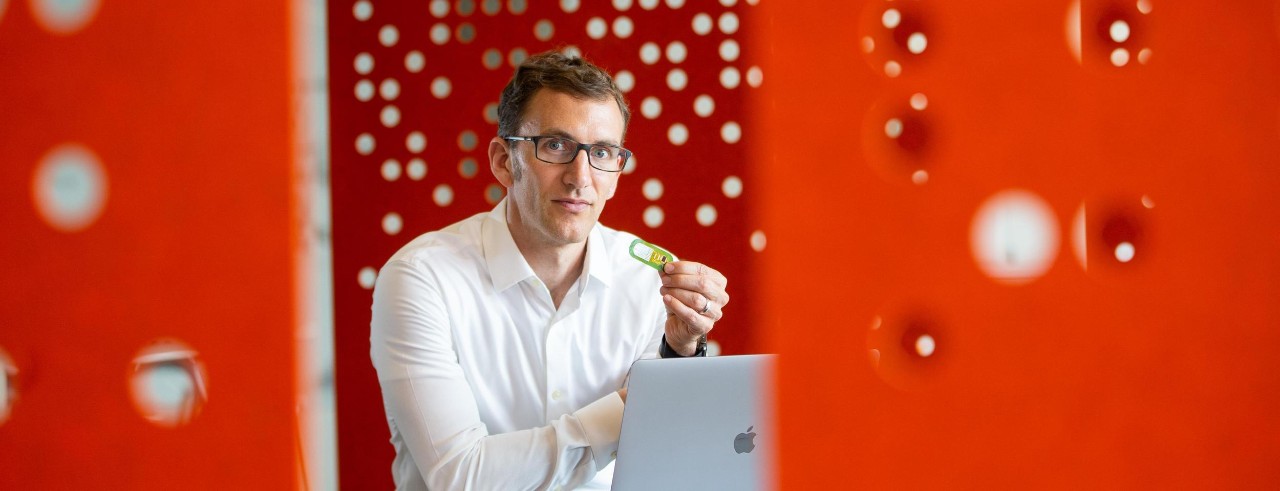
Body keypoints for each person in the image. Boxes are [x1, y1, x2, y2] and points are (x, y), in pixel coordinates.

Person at [369, 51, 731, 490]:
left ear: (617, 172)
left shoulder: (647, 282)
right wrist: (640, 405)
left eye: (602, 152)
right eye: (556, 146)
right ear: (504, 161)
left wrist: (682, 355)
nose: (581, 177)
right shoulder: (421, 278)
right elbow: (459, 477)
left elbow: (672, 457)